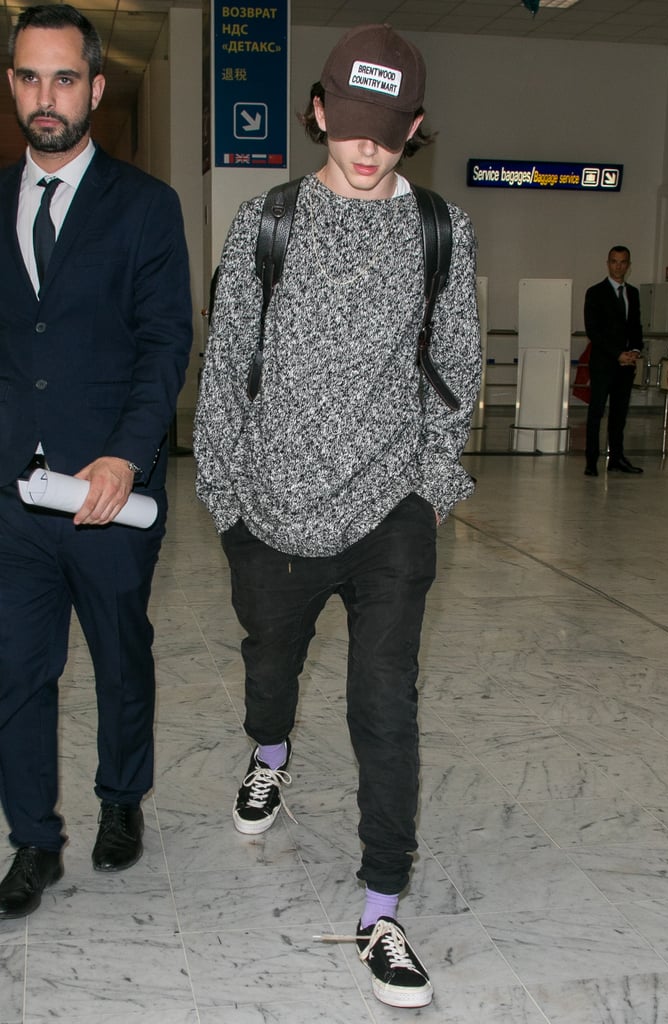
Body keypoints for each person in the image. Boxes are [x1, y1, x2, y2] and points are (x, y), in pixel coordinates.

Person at [194, 23, 480, 1009]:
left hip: (388, 512)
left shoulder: (442, 229)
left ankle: (380, 910)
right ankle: (266, 750)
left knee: (382, 703)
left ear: (412, 129)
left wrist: (431, 486)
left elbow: (456, 369)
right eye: (349, 127)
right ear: (317, 112)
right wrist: (229, 501)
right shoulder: (266, 221)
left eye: (388, 133)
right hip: (270, 512)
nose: (365, 151)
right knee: (270, 665)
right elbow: (226, 365)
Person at [0, 4, 192, 919]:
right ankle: (33, 841)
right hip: (10, 498)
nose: (48, 98)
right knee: (16, 672)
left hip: (111, 496)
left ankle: (122, 801)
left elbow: (164, 344)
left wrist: (125, 454)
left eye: (65, 78)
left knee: (121, 657)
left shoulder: (147, 208)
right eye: (31, 77)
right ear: (12, 83)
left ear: (95, 87)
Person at [584, 246, 643, 476]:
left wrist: (635, 350)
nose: (618, 266)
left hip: (626, 365)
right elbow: (594, 331)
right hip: (603, 364)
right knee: (596, 412)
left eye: (623, 262)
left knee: (620, 413)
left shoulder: (634, 294)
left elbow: (636, 326)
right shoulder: (595, 292)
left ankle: (617, 458)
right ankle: (591, 461)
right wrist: (617, 353)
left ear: (628, 265)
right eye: (614, 262)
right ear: (608, 263)